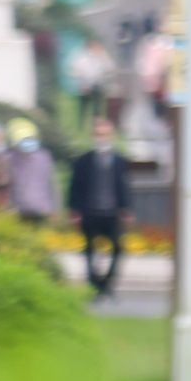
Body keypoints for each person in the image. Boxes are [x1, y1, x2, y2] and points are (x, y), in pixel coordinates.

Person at [68, 117, 132, 299]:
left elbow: (123, 185)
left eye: (105, 134)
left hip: (111, 212)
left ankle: (107, 282)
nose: (101, 138)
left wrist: (126, 208)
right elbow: (75, 186)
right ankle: (94, 283)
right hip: (90, 211)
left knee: (118, 248)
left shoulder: (119, 161)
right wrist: (74, 209)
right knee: (89, 249)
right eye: (98, 134)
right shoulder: (83, 161)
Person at [4, 129, 57, 225]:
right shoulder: (10, 158)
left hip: (42, 210)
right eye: (25, 139)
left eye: (30, 139)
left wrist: (54, 209)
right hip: (19, 210)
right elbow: (8, 185)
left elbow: (51, 185)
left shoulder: (44, 157)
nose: (28, 143)